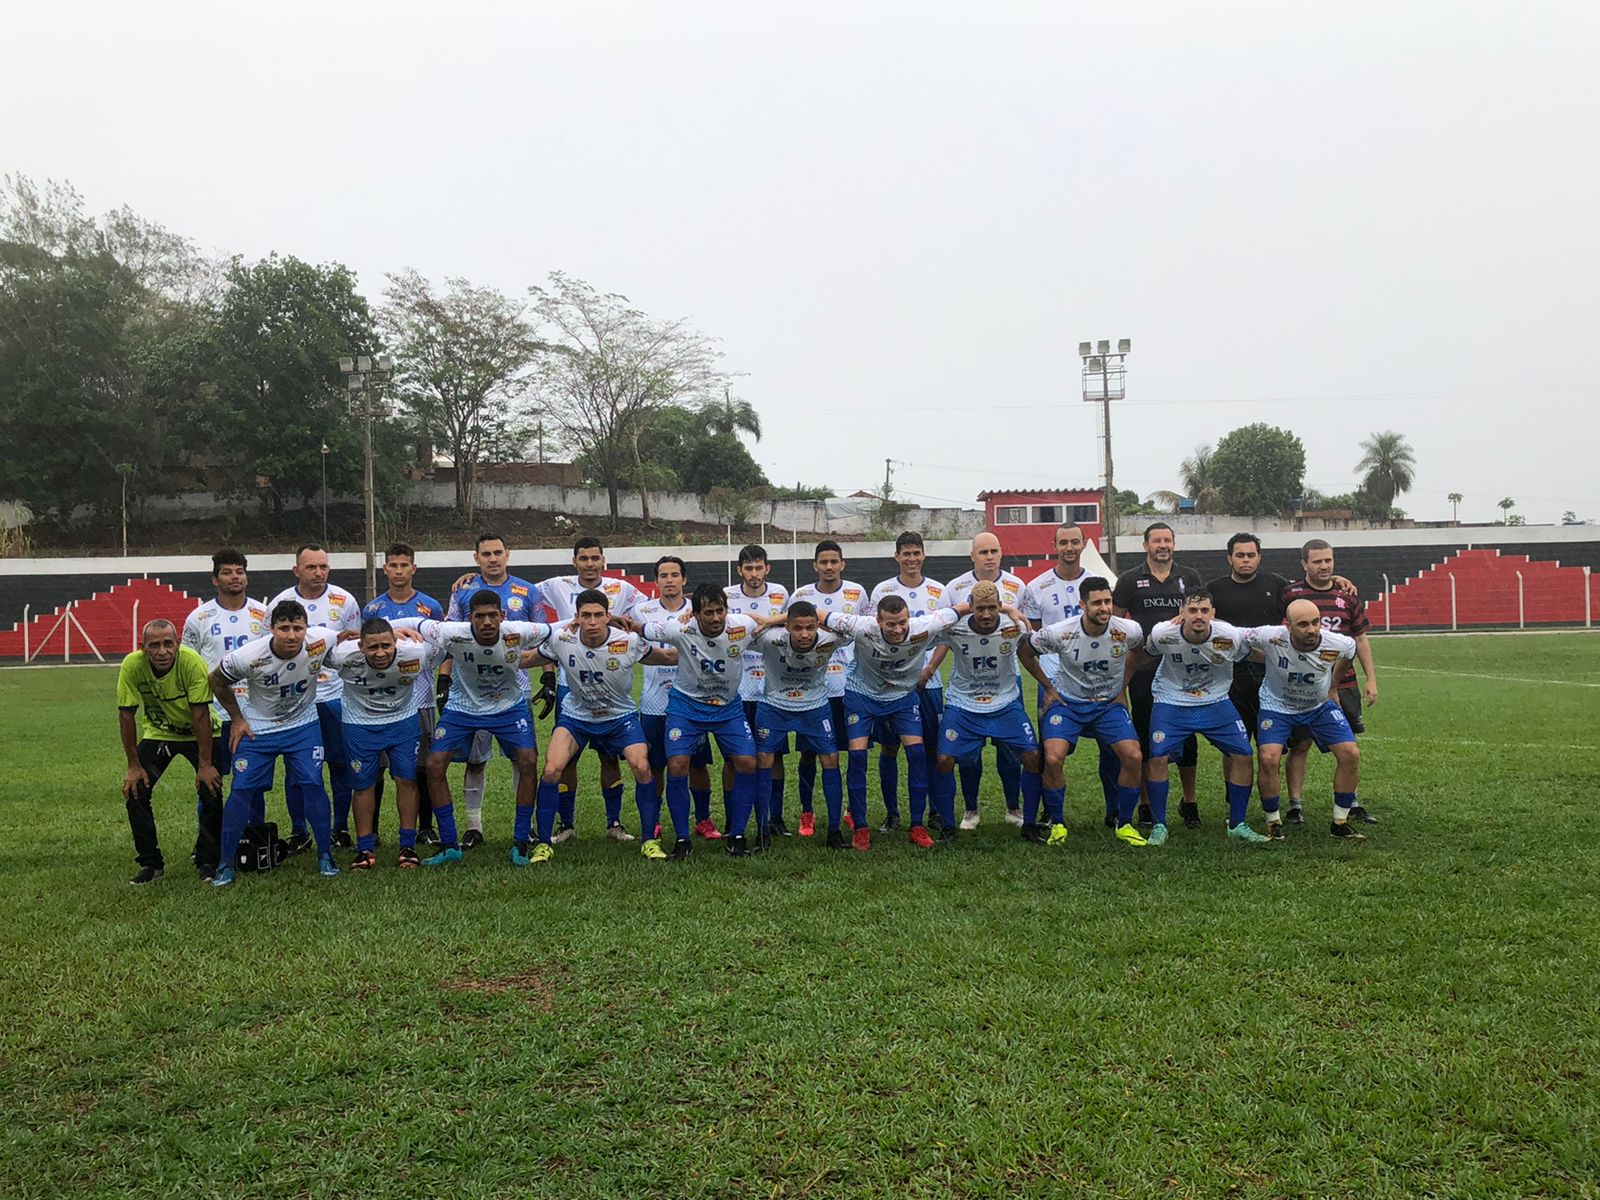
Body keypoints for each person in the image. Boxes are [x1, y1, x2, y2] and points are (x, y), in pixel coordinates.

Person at [394, 591, 552, 867]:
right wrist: (392, 629)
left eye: (493, 615)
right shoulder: (452, 632)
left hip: (508, 707)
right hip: (462, 708)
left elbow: (557, 629)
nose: (488, 621)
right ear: (470, 619)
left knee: (528, 760)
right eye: (480, 616)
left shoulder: (519, 630)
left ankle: (521, 842)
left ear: (503, 616)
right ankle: (449, 844)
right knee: (434, 764)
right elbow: (414, 621)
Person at [822, 594, 987, 849]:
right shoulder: (860, 626)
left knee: (917, 754)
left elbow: (966, 605)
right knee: (857, 757)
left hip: (902, 698)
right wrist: (771, 621)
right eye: (890, 624)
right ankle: (861, 827)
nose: (898, 629)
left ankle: (917, 825)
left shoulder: (924, 626)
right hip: (862, 697)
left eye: (902, 622)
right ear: (878, 621)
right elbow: (819, 614)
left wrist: (1011, 609)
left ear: (909, 618)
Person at [634, 583, 781, 858]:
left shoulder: (742, 625)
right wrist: (622, 623)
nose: (716, 618)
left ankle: (737, 834)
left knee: (747, 762)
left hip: (727, 708)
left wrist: (781, 619)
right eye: (709, 613)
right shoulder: (679, 629)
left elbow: (778, 623)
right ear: (695, 614)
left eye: (720, 611)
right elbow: (641, 629)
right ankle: (682, 839)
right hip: (686, 707)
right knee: (677, 764)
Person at [528, 590, 673, 862]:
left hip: (619, 717)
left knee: (642, 766)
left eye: (598, 615)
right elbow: (527, 659)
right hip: (577, 717)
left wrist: (700, 648)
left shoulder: (628, 641)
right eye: (586, 616)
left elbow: (666, 657)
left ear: (608, 616)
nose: (592, 622)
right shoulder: (562, 639)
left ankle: (649, 840)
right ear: (577, 618)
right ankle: (544, 843)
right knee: (551, 769)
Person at [207, 600, 340, 886]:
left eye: (297, 628)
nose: (291, 635)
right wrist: (237, 718)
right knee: (240, 791)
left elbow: (346, 638)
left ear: (307, 627)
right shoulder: (248, 656)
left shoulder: (321, 639)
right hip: (258, 730)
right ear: (271, 629)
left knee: (313, 784)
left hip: (303, 727)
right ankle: (225, 863)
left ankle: (325, 855)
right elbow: (216, 680)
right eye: (284, 628)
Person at [1017, 576, 1149, 847]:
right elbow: (1025, 651)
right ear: (1082, 605)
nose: (1104, 608)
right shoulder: (1060, 632)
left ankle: (1124, 823)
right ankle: (1058, 823)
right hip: (1068, 704)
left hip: (1107, 705)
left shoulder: (1128, 629)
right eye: (1097, 603)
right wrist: (1048, 687)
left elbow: (1139, 652)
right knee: (1052, 758)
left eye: (1108, 601)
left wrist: (1122, 685)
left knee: (1134, 755)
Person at [536, 536, 649, 841]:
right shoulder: (557, 584)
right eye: (583, 559)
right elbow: (518, 591)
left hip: (609, 689)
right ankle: (566, 824)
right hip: (569, 686)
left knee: (609, 758)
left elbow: (650, 607)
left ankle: (613, 823)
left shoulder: (621, 588)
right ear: (574, 562)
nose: (589, 564)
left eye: (594, 558)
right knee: (566, 760)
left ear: (603, 561)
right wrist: (472, 580)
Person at [1134, 591, 1264, 845]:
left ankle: (1237, 824)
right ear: (1181, 613)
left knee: (1243, 754)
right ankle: (1160, 825)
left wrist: (1287, 660)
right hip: (1171, 702)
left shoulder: (1230, 635)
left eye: (1204, 610)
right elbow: (1143, 653)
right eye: (1192, 610)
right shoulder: (1163, 634)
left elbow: (1254, 653)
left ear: (1213, 614)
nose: (1199, 616)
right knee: (1157, 757)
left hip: (1215, 702)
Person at [443, 532, 545, 849]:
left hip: (516, 691)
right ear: (476, 558)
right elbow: (450, 639)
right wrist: (444, 680)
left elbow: (542, 639)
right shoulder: (462, 591)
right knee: (475, 761)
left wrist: (549, 679)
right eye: (486, 554)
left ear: (508, 554)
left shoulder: (528, 591)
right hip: (470, 692)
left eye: (497, 552)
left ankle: (524, 828)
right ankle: (474, 828)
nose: (492, 559)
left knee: (522, 760)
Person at [1020, 522, 1122, 827]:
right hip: (1055, 682)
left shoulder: (1098, 582)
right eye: (1063, 542)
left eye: (1074, 542)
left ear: (1082, 544)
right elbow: (1032, 641)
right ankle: (1049, 812)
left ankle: (1114, 809)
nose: (1069, 548)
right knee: (1049, 751)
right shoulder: (1036, 587)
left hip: (1097, 677)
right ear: (1055, 545)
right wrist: (1045, 683)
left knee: (1111, 747)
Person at [929, 582, 1044, 849]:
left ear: (1000, 606)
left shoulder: (1013, 627)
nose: (986, 614)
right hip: (963, 704)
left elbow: (1032, 652)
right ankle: (948, 825)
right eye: (980, 608)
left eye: (992, 607)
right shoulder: (954, 628)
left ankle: (1028, 823)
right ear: (970, 606)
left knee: (1033, 755)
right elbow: (926, 629)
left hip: (1005, 702)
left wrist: (1048, 687)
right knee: (945, 758)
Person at [1243, 600, 1366, 840]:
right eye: (1303, 624)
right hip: (1276, 706)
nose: (1311, 629)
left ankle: (1339, 823)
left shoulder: (1337, 642)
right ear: (1287, 626)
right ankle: (1273, 822)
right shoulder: (1270, 636)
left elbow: (1350, 653)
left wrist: (1332, 687)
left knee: (1351, 753)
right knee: (1268, 758)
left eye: (1315, 622)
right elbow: (1236, 636)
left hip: (1317, 706)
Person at [1112, 522, 1206, 828]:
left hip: (1184, 669)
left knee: (1188, 735)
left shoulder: (1189, 576)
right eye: (1157, 541)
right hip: (1144, 669)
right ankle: (1146, 804)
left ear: (1174, 544)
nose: (1162, 545)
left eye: (1168, 540)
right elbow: (1115, 624)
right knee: (1143, 734)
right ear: (1146, 546)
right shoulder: (1129, 579)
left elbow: (1201, 611)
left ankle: (1189, 802)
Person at [327, 617, 441, 869]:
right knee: (364, 785)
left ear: (395, 643)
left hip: (403, 722)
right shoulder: (341, 656)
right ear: (360, 646)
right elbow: (311, 641)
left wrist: (402, 628)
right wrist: (351, 632)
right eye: (372, 647)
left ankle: (408, 846)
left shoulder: (416, 653)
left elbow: (445, 640)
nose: (380, 653)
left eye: (386, 646)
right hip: (359, 725)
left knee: (406, 780)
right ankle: (365, 849)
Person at [1280, 539, 1380, 825]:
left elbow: (1360, 638)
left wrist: (1371, 679)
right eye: (1317, 561)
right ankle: (1295, 806)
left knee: (1347, 746)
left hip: (1344, 683)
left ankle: (1352, 803)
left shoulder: (1346, 596)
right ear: (1304, 565)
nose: (1324, 566)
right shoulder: (1291, 595)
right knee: (1300, 746)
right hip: (1303, 685)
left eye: (1328, 561)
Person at [268, 544, 361, 850]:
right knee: (298, 767)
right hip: (295, 701)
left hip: (334, 696)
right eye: (311, 567)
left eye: (323, 566)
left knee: (339, 764)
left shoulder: (344, 600)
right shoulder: (281, 602)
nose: (318, 572)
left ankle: (340, 828)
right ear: (297, 570)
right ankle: (298, 830)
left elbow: (354, 648)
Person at [116, 620, 223, 883]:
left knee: (211, 789)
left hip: (200, 732)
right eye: (154, 645)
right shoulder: (132, 665)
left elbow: (200, 714)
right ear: (143, 649)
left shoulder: (191, 661)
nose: (162, 651)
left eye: (168, 644)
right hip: (160, 733)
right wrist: (133, 765)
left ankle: (208, 861)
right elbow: (126, 715)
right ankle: (151, 864)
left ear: (178, 644)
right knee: (136, 791)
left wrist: (205, 763)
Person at [939, 531, 1027, 829]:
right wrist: (929, 670)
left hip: (1007, 677)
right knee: (968, 754)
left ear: (1001, 553)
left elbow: (1021, 633)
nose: (989, 556)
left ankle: (1014, 807)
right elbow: (946, 631)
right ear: (972, 556)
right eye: (983, 552)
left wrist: (1009, 608)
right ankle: (970, 809)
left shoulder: (1018, 585)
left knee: (1011, 751)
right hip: (968, 679)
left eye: (994, 551)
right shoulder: (955, 587)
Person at [181, 548, 270, 833]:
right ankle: (209, 842)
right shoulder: (199, 617)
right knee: (212, 780)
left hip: (253, 712)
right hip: (215, 715)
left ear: (247, 577)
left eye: (240, 571)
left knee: (252, 782)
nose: (235, 577)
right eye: (227, 572)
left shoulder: (263, 615)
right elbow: (189, 664)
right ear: (215, 580)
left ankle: (255, 838)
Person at [362, 542, 444, 844]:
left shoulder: (431, 606)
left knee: (422, 765)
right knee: (378, 767)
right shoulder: (373, 608)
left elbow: (438, 648)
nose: (399, 571)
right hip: (383, 700)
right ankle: (371, 830)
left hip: (420, 697)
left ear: (413, 568)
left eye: (404, 565)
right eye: (393, 565)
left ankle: (425, 828)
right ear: (385, 569)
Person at [867, 531, 947, 831]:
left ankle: (935, 811)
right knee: (889, 748)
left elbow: (946, 638)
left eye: (917, 553)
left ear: (924, 555)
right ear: (897, 556)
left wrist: (929, 670)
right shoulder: (882, 591)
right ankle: (892, 813)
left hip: (930, 682)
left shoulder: (939, 590)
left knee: (929, 749)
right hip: (891, 686)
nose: (912, 558)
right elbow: (873, 635)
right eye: (906, 553)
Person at [786, 540, 866, 837]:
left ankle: (850, 811)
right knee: (809, 754)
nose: (829, 566)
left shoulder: (857, 592)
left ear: (842, 564)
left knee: (849, 753)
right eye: (824, 561)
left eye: (834, 561)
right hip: (813, 689)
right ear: (815, 565)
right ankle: (807, 813)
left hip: (849, 687)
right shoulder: (801, 595)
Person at [634, 556, 717, 838]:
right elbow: (638, 654)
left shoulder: (700, 611)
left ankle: (703, 819)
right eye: (663, 575)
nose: (669, 580)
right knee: (656, 765)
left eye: (675, 575)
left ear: (684, 579)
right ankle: (654, 820)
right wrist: (673, 657)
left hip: (693, 701)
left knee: (696, 763)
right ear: (656, 581)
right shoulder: (641, 612)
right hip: (655, 703)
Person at [750, 601, 843, 847]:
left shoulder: (829, 638)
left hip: (815, 707)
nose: (804, 634)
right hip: (774, 706)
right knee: (764, 760)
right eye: (798, 628)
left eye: (810, 627)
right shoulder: (770, 639)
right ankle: (762, 830)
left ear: (818, 626)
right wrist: (769, 621)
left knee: (830, 759)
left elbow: (853, 626)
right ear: (787, 627)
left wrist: (774, 618)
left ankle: (835, 831)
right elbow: (737, 625)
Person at [724, 544, 789, 834]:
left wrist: (773, 620)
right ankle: (730, 820)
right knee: (733, 759)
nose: (753, 573)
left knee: (773, 756)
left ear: (767, 569)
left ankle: (773, 819)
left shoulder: (781, 594)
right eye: (748, 568)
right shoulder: (727, 596)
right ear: (739, 570)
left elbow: (794, 620)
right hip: (737, 690)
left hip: (771, 691)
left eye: (758, 567)